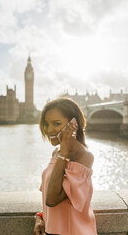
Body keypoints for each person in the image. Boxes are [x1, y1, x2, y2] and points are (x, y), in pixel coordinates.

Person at [34, 97, 97, 235]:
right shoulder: (56, 152)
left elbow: (52, 199)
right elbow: (48, 193)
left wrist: (64, 153)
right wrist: (40, 216)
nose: (49, 129)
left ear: (73, 123)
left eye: (56, 123)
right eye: (46, 124)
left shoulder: (84, 157)